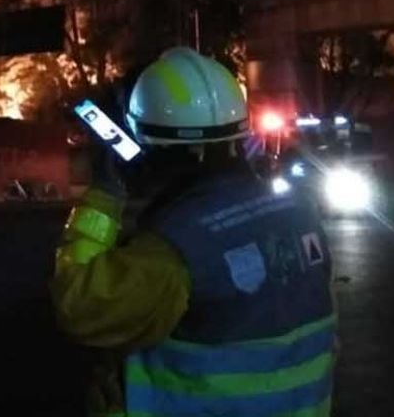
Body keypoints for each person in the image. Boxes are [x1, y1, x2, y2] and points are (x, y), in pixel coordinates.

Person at [51, 47, 335, 416]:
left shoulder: (176, 249)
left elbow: (79, 308)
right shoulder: (299, 211)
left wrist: (105, 193)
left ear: (151, 149)